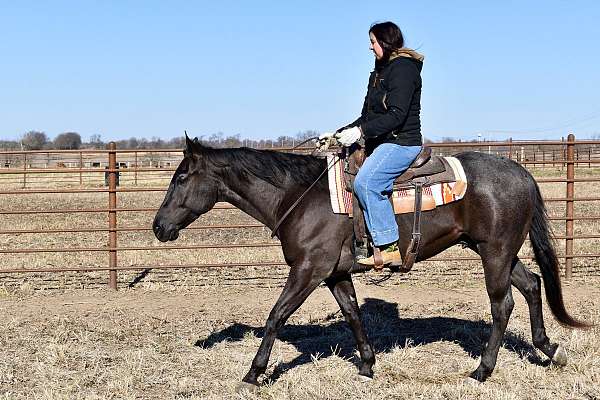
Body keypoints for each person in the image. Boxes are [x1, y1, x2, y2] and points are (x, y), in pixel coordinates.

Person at [321, 21, 424, 266]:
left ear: (386, 42)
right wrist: (339, 133)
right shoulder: (379, 71)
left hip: (401, 142)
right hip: (383, 141)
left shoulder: (403, 69)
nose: (370, 48)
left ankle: (388, 246)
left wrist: (361, 132)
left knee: (367, 182)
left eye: (373, 42)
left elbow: (397, 115)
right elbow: (367, 116)